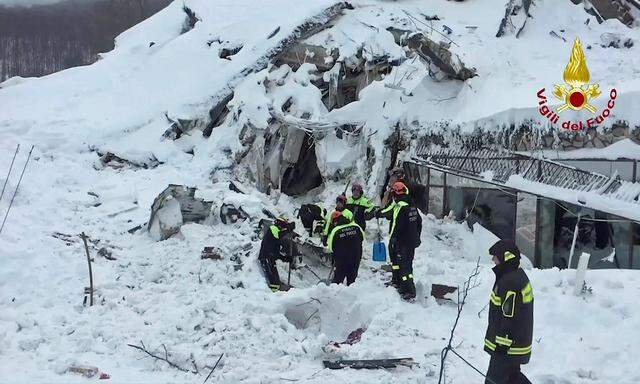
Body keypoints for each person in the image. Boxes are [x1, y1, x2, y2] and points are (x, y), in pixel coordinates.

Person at [484, 239, 534, 384]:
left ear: (506, 257)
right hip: (514, 345)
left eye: (495, 256)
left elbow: (509, 316)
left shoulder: (510, 282)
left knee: (494, 381)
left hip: (507, 347)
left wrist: (502, 344)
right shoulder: (514, 276)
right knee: (512, 378)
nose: (493, 259)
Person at [377, 181, 422, 299]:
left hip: (402, 242)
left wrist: (393, 239)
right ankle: (397, 281)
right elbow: (419, 222)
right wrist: (417, 237)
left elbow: (397, 225)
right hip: (410, 242)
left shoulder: (400, 207)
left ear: (395, 194)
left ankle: (409, 290)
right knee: (398, 263)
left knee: (404, 266)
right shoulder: (411, 204)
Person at [258, 216, 295, 292]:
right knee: (273, 279)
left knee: (275, 278)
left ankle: (276, 294)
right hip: (266, 257)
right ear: (279, 223)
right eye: (283, 225)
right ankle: (273, 296)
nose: (283, 228)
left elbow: (275, 253)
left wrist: (286, 258)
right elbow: (278, 234)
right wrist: (288, 229)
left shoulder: (275, 240)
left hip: (271, 258)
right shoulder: (273, 228)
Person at [327, 210, 364, 286]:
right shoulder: (356, 226)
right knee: (352, 280)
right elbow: (362, 238)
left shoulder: (335, 230)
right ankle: (351, 292)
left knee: (338, 280)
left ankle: (335, 294)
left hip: (342, 260)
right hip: (356, 257)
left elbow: (331, 247)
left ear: (334, 221)